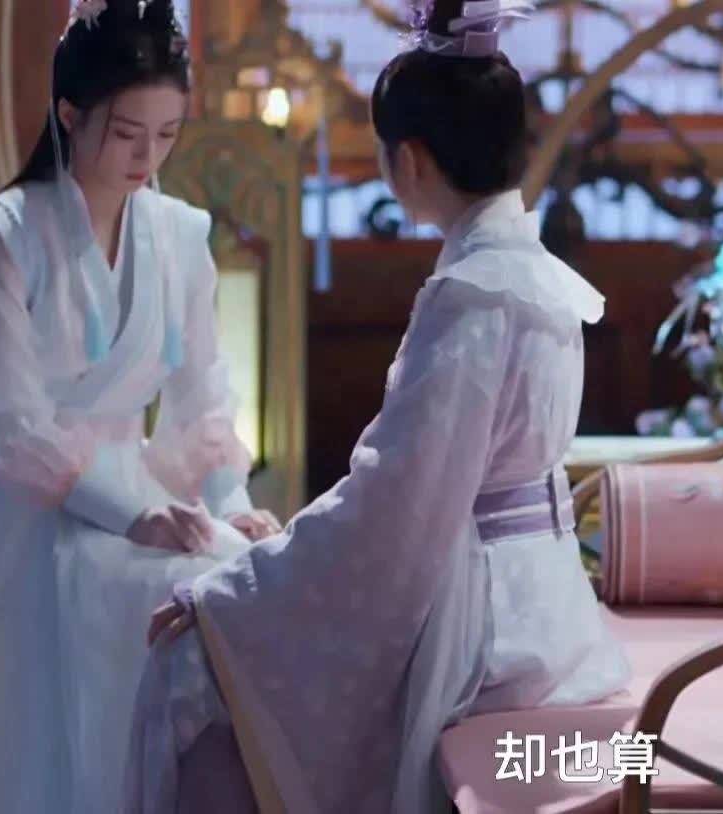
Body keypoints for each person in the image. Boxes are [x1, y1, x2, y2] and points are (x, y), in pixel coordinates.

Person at [125, 0, 630, 809]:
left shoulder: (472, 295)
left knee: (188, 669)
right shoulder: (539, 278)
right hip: (550, 608)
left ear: (413, 161)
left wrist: (231, 592)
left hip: (486, 632)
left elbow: (396, 504)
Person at [0, 2, 282, 811]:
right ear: (69, 114)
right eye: (127, 132)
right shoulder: (0, 234)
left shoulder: (181, 235)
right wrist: (131, 513)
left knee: (231, 586)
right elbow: (12, 426)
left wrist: (229, 501)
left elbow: (204, 394)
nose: (147, 157)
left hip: (141, 494)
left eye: (166, 134)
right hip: (22, 520)